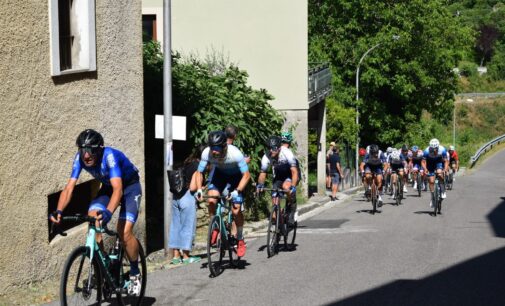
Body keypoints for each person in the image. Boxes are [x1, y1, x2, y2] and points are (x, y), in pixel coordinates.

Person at [49, 129, 143, 296]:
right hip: (108, 188)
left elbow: (118, 189)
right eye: (83, 150)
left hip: (129, 188)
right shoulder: (80, 159)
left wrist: (108, 212)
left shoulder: (110, 157)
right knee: (93, 218)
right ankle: (102, 265)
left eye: (91, 150)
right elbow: (69, 188)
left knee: (124, 231)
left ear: (99, 148)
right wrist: (58, 211)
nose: (86, 155)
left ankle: (135, 272)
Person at [194, 131, 250, 257]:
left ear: (224, 146)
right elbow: (199, 173)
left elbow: (246, 175)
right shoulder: (206, 152)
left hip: (236, 178)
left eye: (217, 148)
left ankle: (240, 238)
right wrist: (199, 189)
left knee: (236, 210)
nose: (214, 151)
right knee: (212, 201)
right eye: (212, 148)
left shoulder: (235, 153)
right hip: (219, 176)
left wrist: (237, 191)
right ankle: (215, 226)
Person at [168, 145, 205, 265]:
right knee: (187, 227)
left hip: (176, 197)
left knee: (175, 226)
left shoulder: (187, 162)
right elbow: (193, 186)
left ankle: (176, 256)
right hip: (187, 197)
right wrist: (201, 188)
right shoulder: (198, 166)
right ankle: (186, 256)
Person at [257, 135, 299, 224]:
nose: (271, 151)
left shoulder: (287, 153)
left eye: (274, 148)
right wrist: (260, 185)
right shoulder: (266, 157)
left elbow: (294, 172)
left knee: (286, 187)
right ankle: (279, 225)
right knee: (275, 200)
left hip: (289, 174)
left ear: (279, 148)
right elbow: (263, 173)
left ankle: (291, 204)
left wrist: (293, 186)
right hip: (279, 176)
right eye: (269, 148)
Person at [422, 138, 449, 208]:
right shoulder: (426, 151)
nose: (434, 150)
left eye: (436, 148)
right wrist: (425, 169)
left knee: (439, 173)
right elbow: (423, 162)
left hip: (438, 162)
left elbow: (446, 161)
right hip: (430, 163)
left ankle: (443, 190)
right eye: (432, 148)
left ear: (438, 147)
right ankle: (432, 197)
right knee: (431, 181)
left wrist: (445, 169)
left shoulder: (442, 149)